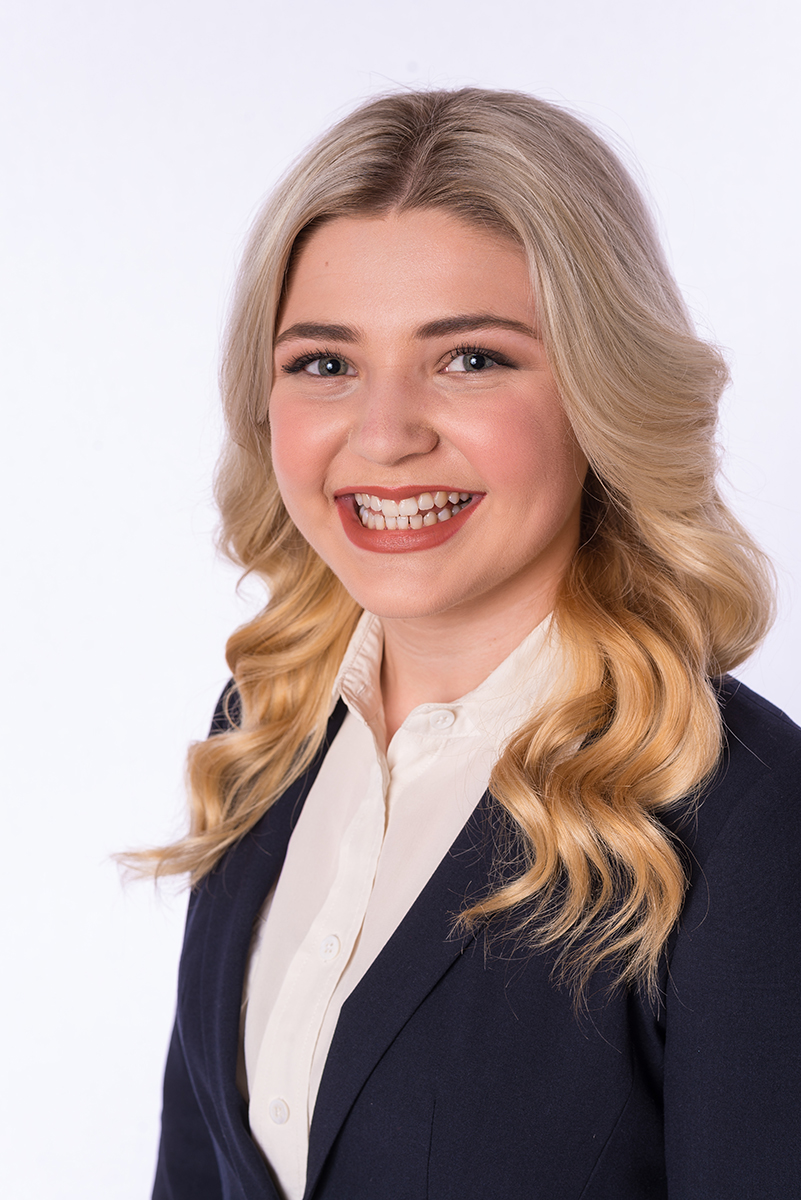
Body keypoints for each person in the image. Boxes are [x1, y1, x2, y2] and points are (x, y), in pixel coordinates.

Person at [142, 89, 801, 1199]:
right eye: (325, 364)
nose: (385, 435)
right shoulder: (266, 725)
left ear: (600, 389)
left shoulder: (748, 825)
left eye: (470, 359)